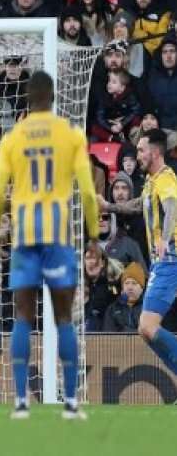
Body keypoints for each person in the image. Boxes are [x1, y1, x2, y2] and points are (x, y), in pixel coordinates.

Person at [0, 70, 99, 420]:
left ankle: (21, 402)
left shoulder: (12, 137)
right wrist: (94, 235)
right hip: (58, 236)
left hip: (23, 236)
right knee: (63, 317)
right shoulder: (70, 134)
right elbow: (88, 193)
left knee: (23, 316)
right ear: (53, 98)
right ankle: (70, 403)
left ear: (26, 98)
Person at [100, 129, 177, 390]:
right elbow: (135, 205)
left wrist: (165, 238)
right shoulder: (151, 182)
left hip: (171, 257)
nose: (138, 155)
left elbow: (171, 208)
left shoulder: (166, 178)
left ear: (155, 152)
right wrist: (108, 206)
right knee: (146, 329)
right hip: (163, 260)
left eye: (142, 150)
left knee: (147, 326)